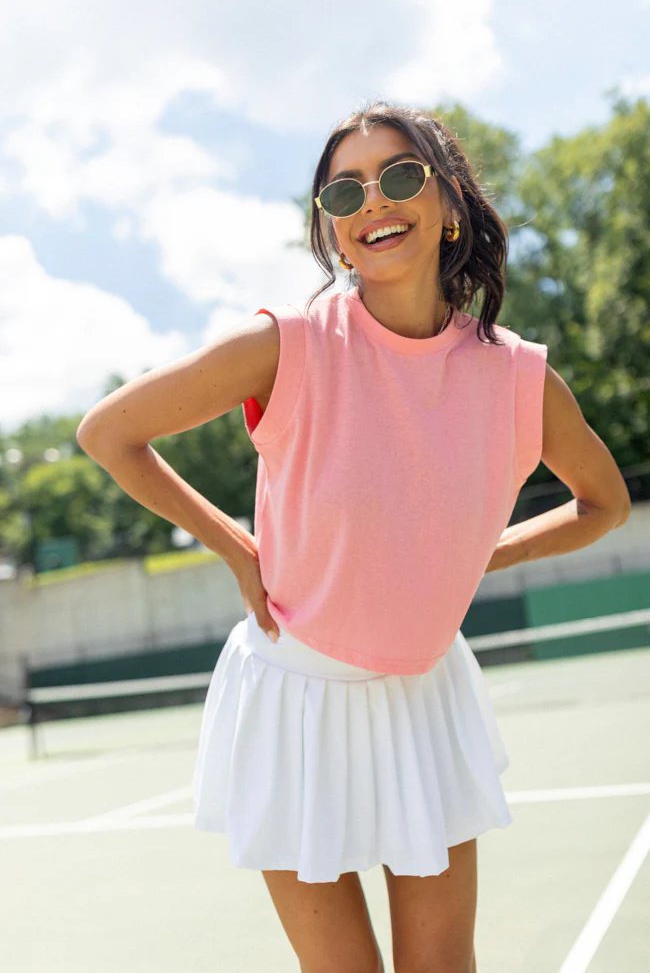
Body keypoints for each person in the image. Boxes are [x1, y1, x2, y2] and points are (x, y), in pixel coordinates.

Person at [76, 100, 631, 973]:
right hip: (291, 700)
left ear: (450, 204)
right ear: (333, 230)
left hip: (424, 696)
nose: (373, 200)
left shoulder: (519, 376)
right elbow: (109, 433)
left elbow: (604, 503)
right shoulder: (287, 344)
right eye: (345, 191)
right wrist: (235, 546)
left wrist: (480, 556)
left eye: (400, 175)